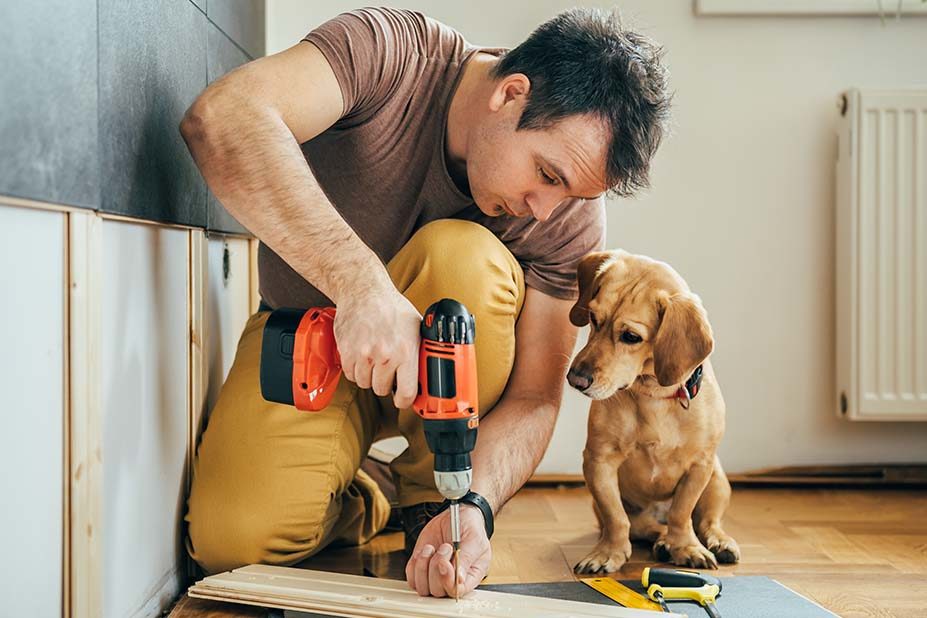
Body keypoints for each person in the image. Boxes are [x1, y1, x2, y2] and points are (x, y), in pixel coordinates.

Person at [179, 6, 669, 598]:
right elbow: (223, 117)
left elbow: (536, 395)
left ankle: (434, 499)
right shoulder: (390, 53)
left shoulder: (567, 215)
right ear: (511, 94)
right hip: (309, 335)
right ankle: (371, 491)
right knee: (233, 544)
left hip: (448, 400)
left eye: (568, 193)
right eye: (545, 173)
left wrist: (479, 505)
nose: (545, 209)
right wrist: (362, 287)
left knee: (463, 255)